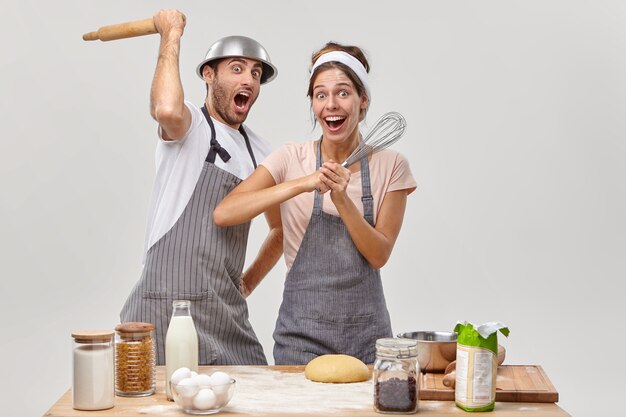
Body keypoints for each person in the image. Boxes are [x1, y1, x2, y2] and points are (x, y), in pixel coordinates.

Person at [214, 41, 416, 365]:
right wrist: (303, 183)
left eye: (343, 93)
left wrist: (343, 200)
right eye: (320, 95)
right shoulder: (290, 158)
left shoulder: (391, 166)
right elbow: (225, 212)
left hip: (368, 343)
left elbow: (379, 255)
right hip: (299, 343)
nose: (330, 104)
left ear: (363, 101)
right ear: (312, 103)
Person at [120, 9, 283, 366]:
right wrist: (170, 35)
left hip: (225, 312)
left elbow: (281, 230)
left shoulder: (263, 153)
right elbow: (165, 109)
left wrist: (249, 282)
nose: (250, 80)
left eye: (256, 73)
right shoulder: (191, 126)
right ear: (209, 75)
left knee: (256, 395)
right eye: (237, 69)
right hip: (166, 306)